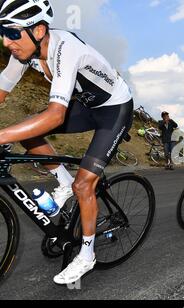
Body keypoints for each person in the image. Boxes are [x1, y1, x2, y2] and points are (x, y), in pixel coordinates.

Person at [0, 0, 134, 284]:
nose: (5, 41)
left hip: (114, 110)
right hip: (87, 105)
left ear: (38, 30)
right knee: (28, 132)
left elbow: (55, 115)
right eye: (1, 32)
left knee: (83, 183)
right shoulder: (23, 52)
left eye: (11, 33)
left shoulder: (64, 48)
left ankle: (87, 255)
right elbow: (1, 90)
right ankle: (62, 183)